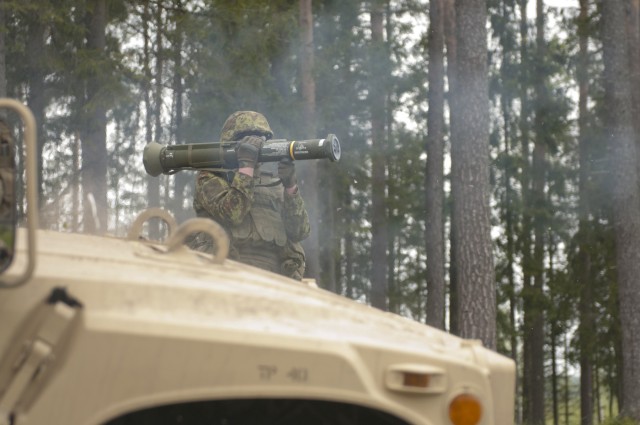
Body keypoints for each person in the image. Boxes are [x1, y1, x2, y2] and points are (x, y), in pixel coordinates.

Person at [190, 111, 310, 280]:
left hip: (276, 277)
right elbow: (233, 214)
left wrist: (290, 186)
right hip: (224, 272)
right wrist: (246, 167)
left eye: (261, 139)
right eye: (248, 139)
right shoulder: (211, 178)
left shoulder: (274, 184)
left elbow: (299, 232)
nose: (257, 145)